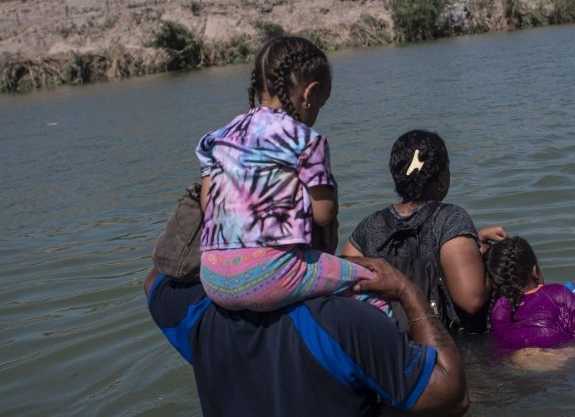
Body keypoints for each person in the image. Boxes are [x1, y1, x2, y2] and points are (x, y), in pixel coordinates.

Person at [196, 36, 387, 314]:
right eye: (322, 104)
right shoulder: (306, 140)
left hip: (212, 278)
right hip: (269, 274)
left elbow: (207, 205)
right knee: (377, 286)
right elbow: (324, 214)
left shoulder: (216, 138)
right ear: (310, 94)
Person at [144, 257, 469, 416]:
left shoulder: (200, 311)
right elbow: (453, 398)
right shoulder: (342, 321)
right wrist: (406, 292)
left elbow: (158, 276)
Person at [343, 130, 507, 333]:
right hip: (447, 350)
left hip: (392, 348)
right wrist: (489, 254)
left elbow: (344, 287)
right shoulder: (450, 219)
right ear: (440, 179)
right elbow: (471, 300)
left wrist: (474, 239)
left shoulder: (368, 227)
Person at [485, 236, 575, 352]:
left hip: (513, 366)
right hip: (557, 358)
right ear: (534, 270)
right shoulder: (556, 294)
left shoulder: (497, 309)